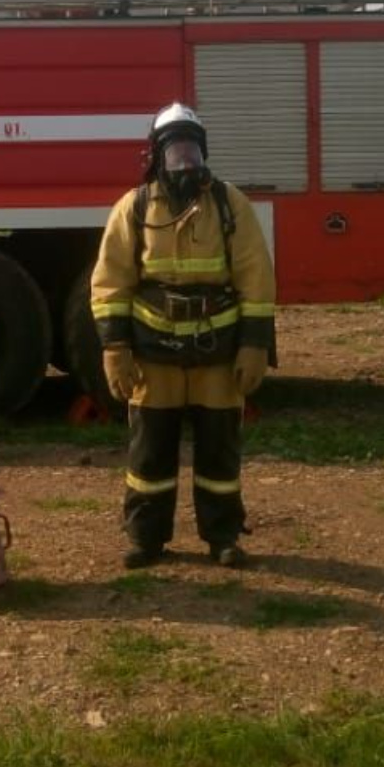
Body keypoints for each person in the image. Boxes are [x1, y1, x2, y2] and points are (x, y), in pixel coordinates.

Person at [90, 103, 275, 570]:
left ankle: (223, 536)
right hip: (154, 352)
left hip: (218, 351)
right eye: (175, 152)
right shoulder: (133, 209)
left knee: (219, 451)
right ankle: (146, 538)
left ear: (205, 153)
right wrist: (116, 348)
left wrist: (254, 345)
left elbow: (256, 276)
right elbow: (110, 283)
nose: (185, 161)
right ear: (156, 155)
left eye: (192, 150)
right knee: (150, 452)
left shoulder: (229, 205)